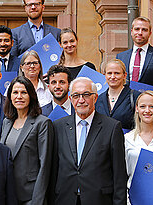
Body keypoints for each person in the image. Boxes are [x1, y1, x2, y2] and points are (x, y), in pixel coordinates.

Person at [50, 77, 127, 205]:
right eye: (76, 96)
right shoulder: (57, 127)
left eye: (86, 95)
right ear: (70, 99)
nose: (81, 100)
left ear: (95, 97)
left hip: (99, 200)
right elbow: (53, 170)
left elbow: (119, 174)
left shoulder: (112, 127)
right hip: (65, 198)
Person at [1, 76, 54, 204]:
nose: (19, 96)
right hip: (8, 193)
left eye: (24, 92)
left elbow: (45, 165)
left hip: (30, 196)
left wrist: (38, 200)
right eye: (15, 93)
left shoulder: (42, 123)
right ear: (10, 97)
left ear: (31, 96)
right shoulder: (7, 122)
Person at [116, 16, 153, 87]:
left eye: (144, 30)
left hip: (151, 96)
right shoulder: (121, 56)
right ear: (132, 32)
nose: (140, 33)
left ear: (150, 33)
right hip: (126, 97)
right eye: (137, 29)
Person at [95, 59, 140, 130]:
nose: (113, 77)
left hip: (126, 140)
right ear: (105, 75)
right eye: (109, 73)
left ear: (124, 75)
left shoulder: (135, 96)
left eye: (117, 73)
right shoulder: (99, 99)